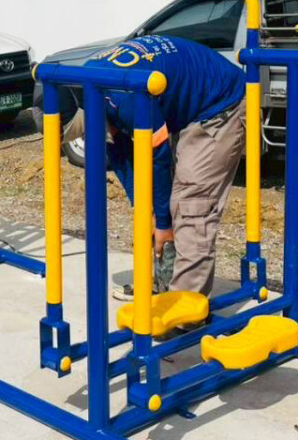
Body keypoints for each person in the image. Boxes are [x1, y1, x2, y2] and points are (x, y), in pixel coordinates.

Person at [63, 34, 246, 303]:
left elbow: (158, 158)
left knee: (191, 204)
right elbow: (119, 152)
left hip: (219, 103)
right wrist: (146, 209)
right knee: (159, 206)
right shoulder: (92, 82)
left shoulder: (123, 98)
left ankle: (184, 309)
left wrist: (162, 223)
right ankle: (163, 285)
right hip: (186, 103)